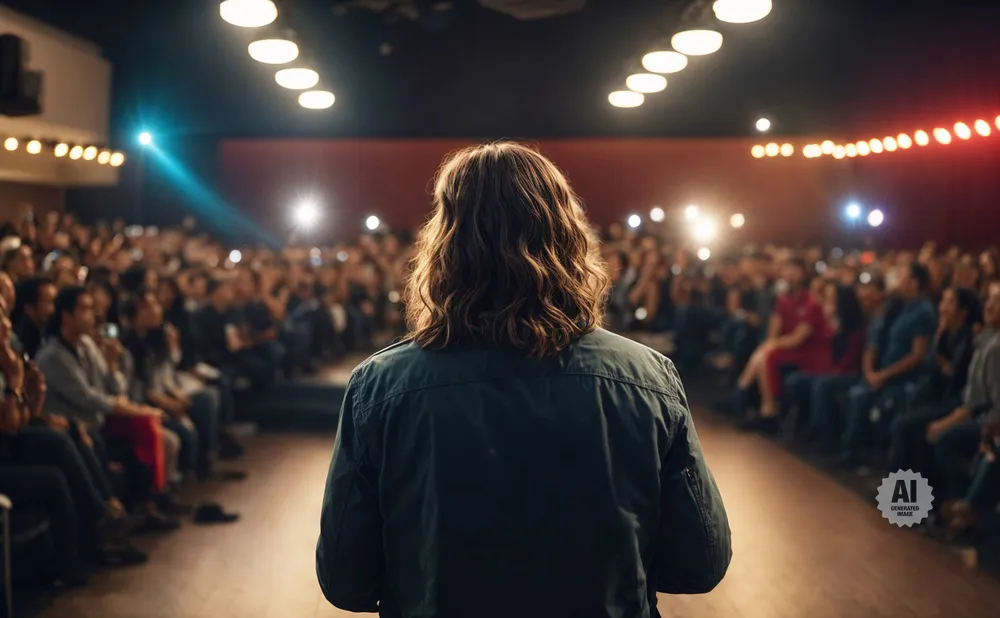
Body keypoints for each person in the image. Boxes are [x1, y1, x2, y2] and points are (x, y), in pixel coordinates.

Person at [317, 143, 731, 618]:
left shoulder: (379, 388)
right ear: (568, 239)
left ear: (445, 245)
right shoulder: (648, 378)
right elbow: (700, 564)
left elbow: (345, 582)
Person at [834, 262, 937, 468]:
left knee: (867, 399)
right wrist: (872, 372)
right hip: (885, 374)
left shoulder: (923, 311)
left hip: (905, 378)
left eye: (902, 276)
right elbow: (874, 341)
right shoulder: (898, 306)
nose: (897, 280)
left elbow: (917, 355)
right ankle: (854, 452)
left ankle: (868, 458)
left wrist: (884, 375)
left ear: (914, 283)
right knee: (857, 394)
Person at [14, 275, 58, 359]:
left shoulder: (52, 334)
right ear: (29, 308)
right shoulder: (21, 345)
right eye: (48, 302)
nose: (54, 309)